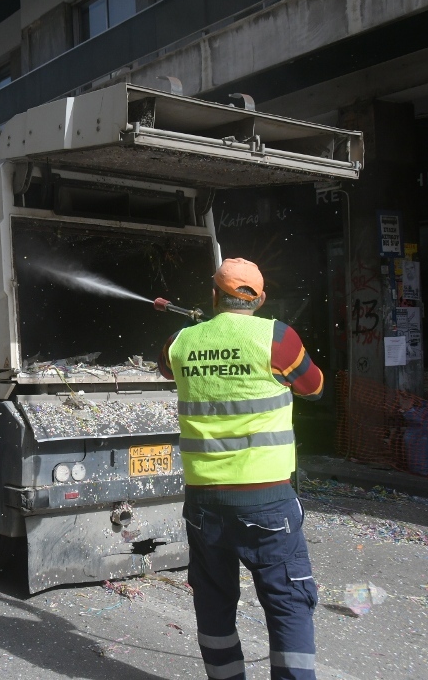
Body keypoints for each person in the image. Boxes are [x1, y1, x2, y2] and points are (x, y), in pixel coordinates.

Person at [158, 258, 323, 680]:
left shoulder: (180, 341)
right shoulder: (277, 339)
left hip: (205, 503)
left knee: (214, 605)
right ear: (261, 299)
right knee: (287, 602)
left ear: (213, 295)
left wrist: (203, 330)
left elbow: (166, 364)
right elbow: (315, 387)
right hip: (266, 502)